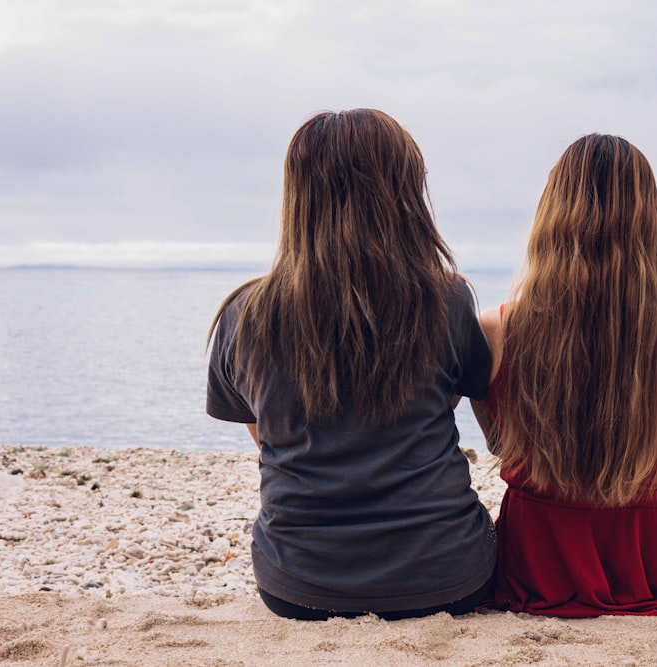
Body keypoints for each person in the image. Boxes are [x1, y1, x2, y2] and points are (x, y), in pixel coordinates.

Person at [207, 109, 496, 620]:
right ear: (404, 193)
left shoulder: (243, 315)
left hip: (297, 585)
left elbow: (268, 435)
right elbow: (451, 399)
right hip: (448, 577)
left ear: (298, 197)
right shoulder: (448, 301)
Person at [472, 134, 657, 618]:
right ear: (651, 221)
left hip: (546, 550)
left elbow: (501, 445)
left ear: (550, 217)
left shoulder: (496, 329)